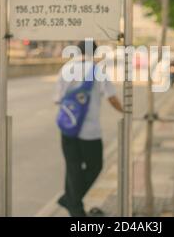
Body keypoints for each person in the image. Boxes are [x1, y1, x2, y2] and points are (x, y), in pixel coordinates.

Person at [54, 40, 124, 217]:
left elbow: (58, 99)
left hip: (68, 128)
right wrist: (126, 111)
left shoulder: (65, 69)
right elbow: (112, 98)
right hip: (90, 132)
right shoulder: (97, 70)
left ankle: (72, 203)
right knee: (95, 166)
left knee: (72, 168)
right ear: (94, 52)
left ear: (77, 51)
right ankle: (73, 203)